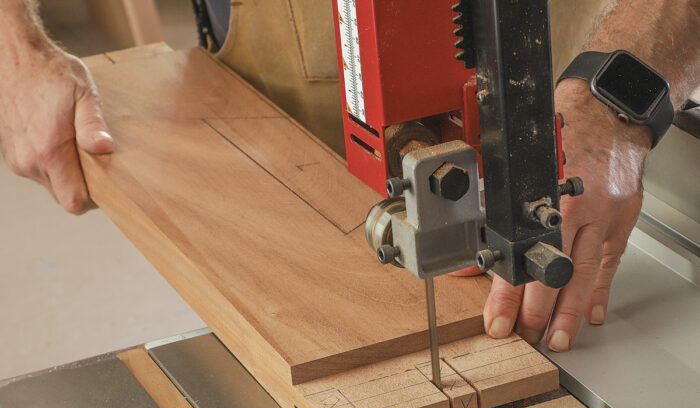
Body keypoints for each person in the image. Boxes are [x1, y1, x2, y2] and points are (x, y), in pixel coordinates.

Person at [0, 0, 698, 352]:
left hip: (548, 45)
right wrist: (12, 48)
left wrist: (617, 101)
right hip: (294, 39)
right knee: (291, 325)